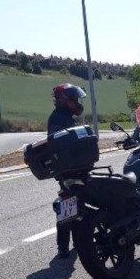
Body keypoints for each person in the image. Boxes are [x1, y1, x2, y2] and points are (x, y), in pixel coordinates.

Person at [48, 83, 86, 259]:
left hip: (74, 166)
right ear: (66, 101)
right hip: (66, 169)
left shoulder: (66, 117)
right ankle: (63, 246)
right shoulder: (58, 118)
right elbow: (59, 143)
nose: (77, 103)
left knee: (79, 203)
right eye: (74, 100)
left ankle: (79, 241)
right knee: (68, 204)